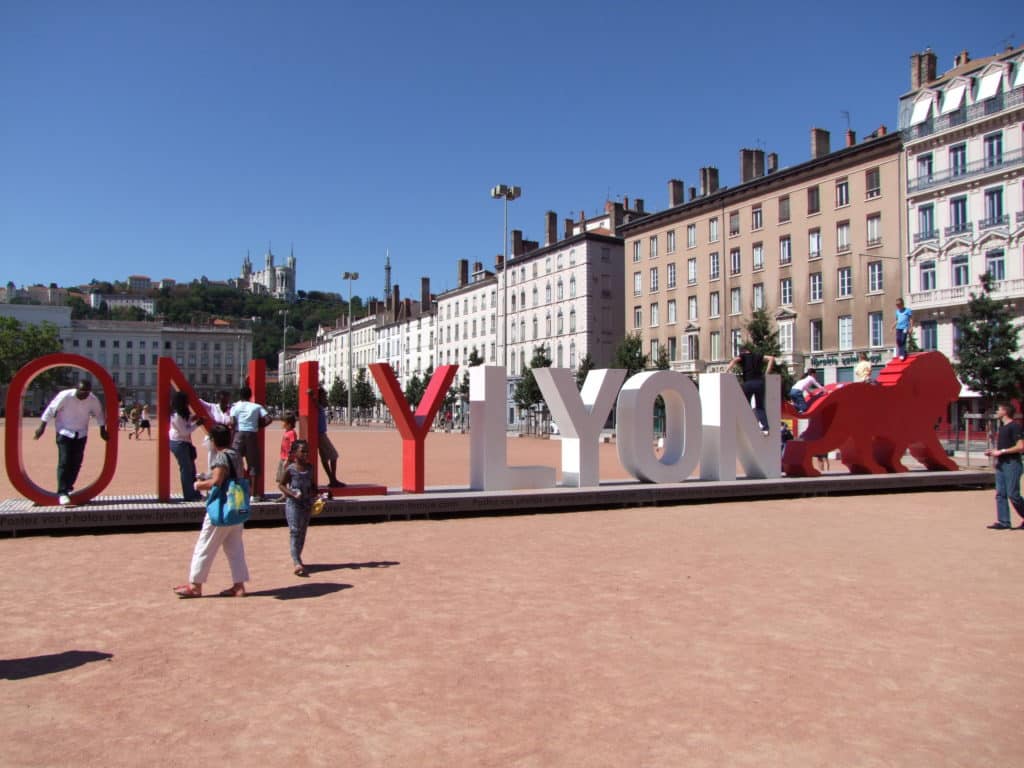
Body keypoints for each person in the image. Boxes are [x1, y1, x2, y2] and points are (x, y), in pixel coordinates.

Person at [174, 424, 249, 597]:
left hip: (221, 507)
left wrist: (198, 484)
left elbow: (217, 480)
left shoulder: (221, 456)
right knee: (235, 548)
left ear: (214, 440)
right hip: (236, 506)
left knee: (205, 544)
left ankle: (195, 585)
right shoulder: (235, 454)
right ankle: (239, 585)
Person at [33, 380, 109, 506]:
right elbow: (51, 410)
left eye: (87, 391)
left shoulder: (92, 399)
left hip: (81, 433)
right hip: (64, 432)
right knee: (64, 461)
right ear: (77, 389)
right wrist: (42, 427)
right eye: (82, 391)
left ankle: (68, 487)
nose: (84, 394)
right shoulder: (65, 395)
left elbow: (99, 414)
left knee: (76, 462)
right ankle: (62, 492)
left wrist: (102, 430)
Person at [983, 402, 1024, 530]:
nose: (996, 411)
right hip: (1001, 463)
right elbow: (1004, 447)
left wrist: (1001, 452)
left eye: (998, 409)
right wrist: (994, 451)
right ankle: (1003, 522)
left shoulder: (1015, 426)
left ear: (1005, 412)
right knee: (1000, 494)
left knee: (1013, 494)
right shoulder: (1002, 428)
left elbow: (1020, 447)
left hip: (1012, 464)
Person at [277, 439, 315, 577]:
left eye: (307, 451)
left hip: (306, 504)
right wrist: (291, 493)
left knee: (302, 532)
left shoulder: (310, 468)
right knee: (294, 531)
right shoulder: (291, 469)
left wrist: (318, 496)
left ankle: (298, 555)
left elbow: (312, 485)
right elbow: (281, 485)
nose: (305, 454)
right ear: (294, 453)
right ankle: (296, 561)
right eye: (302, 451)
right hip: (293, 504)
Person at [726, 343, 776, 433]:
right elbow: (771, 358)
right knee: (760, 406)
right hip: (759, 383)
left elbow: (734, 360)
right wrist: (767, 373)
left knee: (745, 404)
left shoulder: (743, 356)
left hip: (748, 383)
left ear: (743, 351)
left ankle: (746, 424)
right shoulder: (757, 355)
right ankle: (765, 427)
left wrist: (726, 370)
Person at [229, 385, 273, 488]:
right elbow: (269, 419)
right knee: (253, 464)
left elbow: (232, 422)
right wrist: (258, 426)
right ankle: (253, 493)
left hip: (239, 433)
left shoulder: (235, 407)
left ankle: (235, 488)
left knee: (234, 461)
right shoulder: (256, 406)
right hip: (252, 434)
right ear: (250, 395)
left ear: (240, 395)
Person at [169, 391, 203, 502]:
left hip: (183, 442)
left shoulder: (180, 413)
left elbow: (185, 424)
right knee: (186, 469)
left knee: (191, 469)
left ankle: (194, 493)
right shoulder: (176, 415)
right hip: (179, 442)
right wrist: (197, 424)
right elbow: (185, 431)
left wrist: (192, 419)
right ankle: (189, 495)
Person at [317, 387, 345, 488]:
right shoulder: (318, 405)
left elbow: (321, 403)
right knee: (333, 455)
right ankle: (333, 479)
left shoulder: (320, 406)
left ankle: (332, 479)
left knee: (325, 459)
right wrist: (312, 395)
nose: (326, 397)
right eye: (324, 396)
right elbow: (316, 402)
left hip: (321, 434)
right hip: (320, 434)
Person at [200, 390, 233, 473]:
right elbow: (198, 401)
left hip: (226, 437)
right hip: (214, 437)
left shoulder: (232, 409)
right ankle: (211, 473)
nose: (225, 402)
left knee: (225, 456)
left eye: (226, 399)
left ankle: (224, 474)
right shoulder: (212, 407)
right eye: (222, 400)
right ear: (218, 399)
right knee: (212, 455)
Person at [276, 412, 298, 485]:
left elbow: (293, 445)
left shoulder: (292, 433)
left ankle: (289, 492)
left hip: (288, 458)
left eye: (284, 422)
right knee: (282, 476)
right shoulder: (287, 432)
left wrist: (289, 458)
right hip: (283, 457)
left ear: (289, 424)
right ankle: (285, 493)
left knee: (287, 476)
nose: (282, 424)